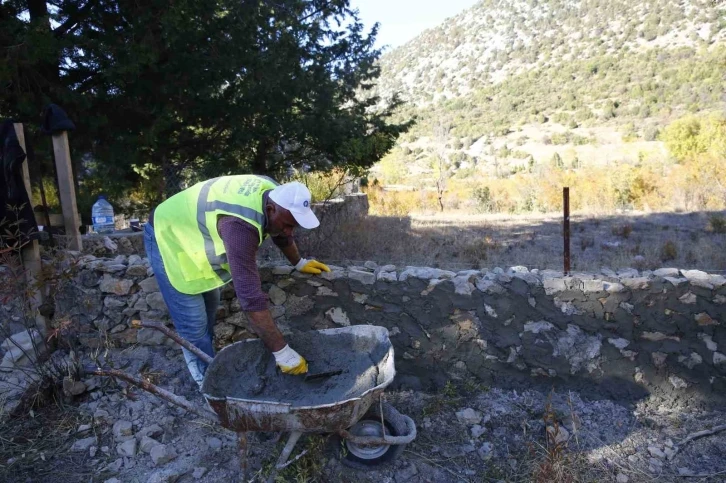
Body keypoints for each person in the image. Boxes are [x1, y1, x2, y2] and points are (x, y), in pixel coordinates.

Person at [144, 174, 330, 387]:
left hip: (195, 242)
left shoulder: (275, 194)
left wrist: (298, 261)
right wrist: (282, 351)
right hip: (169, 238)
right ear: (270, 209)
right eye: (288, 224)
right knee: (194, 329)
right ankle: (210, 390)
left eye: (294, 225)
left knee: (208, 314)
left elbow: (280, 230)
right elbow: (250, 299)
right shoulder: (240, 227)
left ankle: (210, 366)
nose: (290, 231)